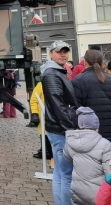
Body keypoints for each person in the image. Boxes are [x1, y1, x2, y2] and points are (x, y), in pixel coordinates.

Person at [41, 40, 78, 205]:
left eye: (65, 51)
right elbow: (58, 104)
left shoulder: (58, 71)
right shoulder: (51, 73)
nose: (63, 54)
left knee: (60, 172)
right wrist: (69, 128)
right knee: (66, 174)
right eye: (58, 51)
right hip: (60, 129)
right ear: (50, 53)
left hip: (57, 128)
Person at [64, 107, 111, 205]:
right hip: (98, 193)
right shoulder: (105, 145)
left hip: (77, 191)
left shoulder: (71, 142)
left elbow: (67, 158)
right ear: (97, 127)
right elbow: (110, 172)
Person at [72, 50, 111, 145]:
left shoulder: (78, 81)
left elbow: (76, 108)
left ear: (85, 61)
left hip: (91, 133)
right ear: (102, 61)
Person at [29, 82, 53, 160]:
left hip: (51, 116)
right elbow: (34, 100)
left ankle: (48, 153)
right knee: (44, 134)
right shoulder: (41, 85)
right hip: (43, 116)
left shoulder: (41, 84)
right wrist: (35, 113)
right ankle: (46, 152)